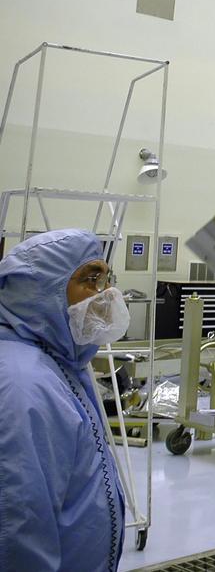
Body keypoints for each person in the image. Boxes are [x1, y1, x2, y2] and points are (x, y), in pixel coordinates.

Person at [0, 229, 129, 572]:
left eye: (105, 279)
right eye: (90, 279)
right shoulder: (23, 385)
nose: (104, 296)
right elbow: (17, 532)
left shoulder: (58, 363)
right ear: (42, 291)